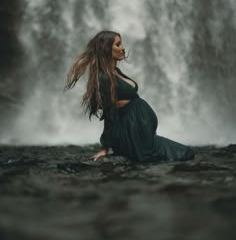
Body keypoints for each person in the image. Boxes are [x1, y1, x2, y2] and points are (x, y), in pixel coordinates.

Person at [65, 30, 194, 163]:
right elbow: (110, 112)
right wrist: (105, 148)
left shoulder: (116, 72)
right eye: (118, 44)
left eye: (121, 44)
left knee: (185, 153)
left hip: (141, 133)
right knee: (185, 153)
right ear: (106, 48)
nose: (123, 48)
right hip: (133, 135)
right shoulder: (104, 78)